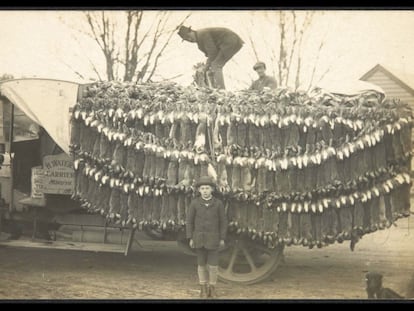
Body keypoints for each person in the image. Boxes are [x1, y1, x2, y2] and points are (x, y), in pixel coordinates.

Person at [186, 175, 227, 299]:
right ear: (199, 190)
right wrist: (190, 237)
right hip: (199, 239)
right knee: (201, 264)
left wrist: (222, 238)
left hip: (213, 239)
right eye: (202, 188)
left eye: (207, 188)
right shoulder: (195, 203)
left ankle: (212, 288)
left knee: (213, 265)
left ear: (212, 190)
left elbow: (223, 221)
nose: (205, 191)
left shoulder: (218, 204)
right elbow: (189, 222)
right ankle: (203, 288)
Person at [177, 26, 244, 89]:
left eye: (188, 36)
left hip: (230, 41)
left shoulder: (202, 34)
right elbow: (211, 55)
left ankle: (221, 90)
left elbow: (213, 53)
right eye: (186, 39)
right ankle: (214, 87)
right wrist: (206, 67)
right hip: (230, 42)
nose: (189, 39)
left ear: (191, 31)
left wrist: (205, 67)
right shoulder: (200, 43)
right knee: (213, 66)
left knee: (216, 65)